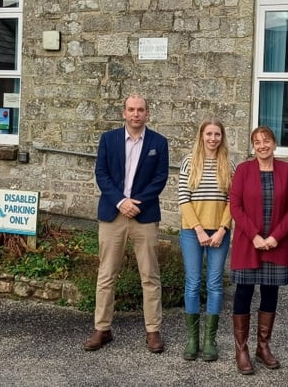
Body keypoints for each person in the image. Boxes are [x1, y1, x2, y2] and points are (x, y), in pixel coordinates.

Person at [83, 94, 170, 353]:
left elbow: (160, 178)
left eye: (140, 110)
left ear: (147, 113)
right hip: (113, 214)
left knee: (150, 276)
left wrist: (136, 203)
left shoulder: (159, 142)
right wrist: (121, 202)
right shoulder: (108, 140)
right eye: (131, 109)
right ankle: (102, 328)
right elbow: (102, 174)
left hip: (144, 215)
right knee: (107, 274)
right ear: (124, 113)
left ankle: (153, 331)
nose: (136, 114)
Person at [229, 126, 288, 375]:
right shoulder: (243, 170)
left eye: (266, 141)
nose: (262, 145)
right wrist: (256, 236)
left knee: (270, 293)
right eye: (257, 142)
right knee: (243, 292)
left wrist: (275, 237)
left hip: (276, 245)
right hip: (249, 243)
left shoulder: (287, 170)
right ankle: (242, 349)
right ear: (252, 146)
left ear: (274, 143)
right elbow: (235, 206)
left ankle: (263, 346)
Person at [178, 119, 234, 361]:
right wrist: (199, 230)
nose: (213, 138)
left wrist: (222, 229)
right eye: (209, 134)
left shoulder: (228, 164)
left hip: (220, 231)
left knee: (214, 284)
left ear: (222, 137)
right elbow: (183, 198)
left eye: (217, 134)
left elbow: (234, 201)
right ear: (201, 136)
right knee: (192, 283)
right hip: (192, 231)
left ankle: (210, 340)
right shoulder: (189, 162)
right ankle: (192, 339)